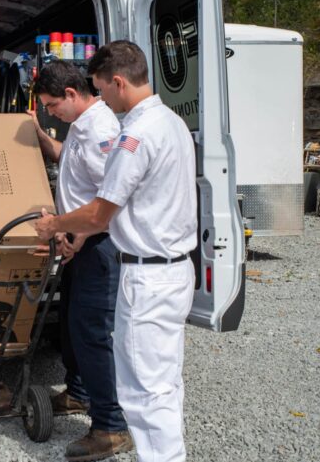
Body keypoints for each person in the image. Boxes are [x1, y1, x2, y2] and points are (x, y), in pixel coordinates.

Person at [34, 41, 198, 462]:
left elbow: (101, 212)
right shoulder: (171, 122)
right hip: (169, 267)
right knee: (161, 382)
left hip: (146, 271)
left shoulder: (132, 135)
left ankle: (118, 431)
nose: (101, 98)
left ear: (119, 83)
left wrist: (56, 225)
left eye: (102, 89)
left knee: (144, 388)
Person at [30, 60, 131, 461]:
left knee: (91, 334)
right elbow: (67, 163)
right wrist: (39, 135)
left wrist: (78, 233)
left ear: (72, 94)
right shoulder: (80, 127)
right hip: (79, 243)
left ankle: (111, 426)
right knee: (71, 328)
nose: (51, 112)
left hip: (98, 245)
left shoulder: (101, 131)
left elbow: (112, 198)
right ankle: (78, 393)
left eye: (53, 106)